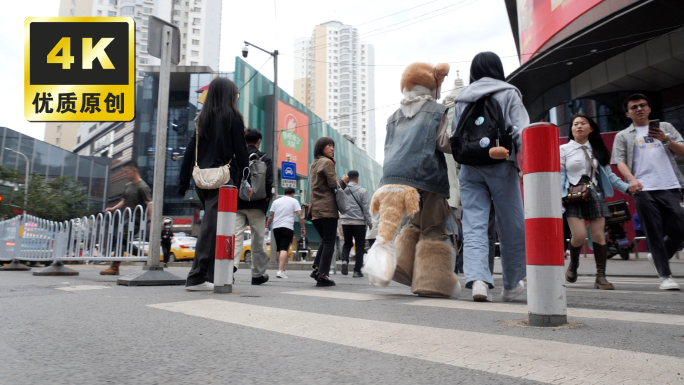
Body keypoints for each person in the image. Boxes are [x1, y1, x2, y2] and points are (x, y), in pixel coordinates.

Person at [372, 62, 460, 298]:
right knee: (433, 226)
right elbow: (443, 143)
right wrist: (464, 148)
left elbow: (389, 148)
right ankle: (432, 282)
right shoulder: (436, 110)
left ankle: (402, 265)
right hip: (426, 174)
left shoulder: (393, 116)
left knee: (413, 222)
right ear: (431, 87)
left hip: (394, 177)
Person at [451, 52, 528, 302]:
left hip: (470, 167)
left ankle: (479, 281)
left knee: (474, 224)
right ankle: (512, 284)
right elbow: (522, 132)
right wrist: (527, 166)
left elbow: (455, 134)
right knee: (511, 225)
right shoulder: (508, 93)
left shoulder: (461, 99)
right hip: (502, 164)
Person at [177, 77, 251, 291]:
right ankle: (197, 277)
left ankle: (213, 275)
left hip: (201, 179)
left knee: (215, 225)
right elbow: (241, 150)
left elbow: (190, 151)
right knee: (213, 227)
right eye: (235, 94)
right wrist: (245, 176)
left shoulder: (202, 118)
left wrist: (183, 182)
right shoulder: (232, 116)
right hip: (224, 178)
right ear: (229, 95)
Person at [611, 93, 684, 290]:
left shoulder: (665, 128)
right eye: (634, 107)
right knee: (654, 232)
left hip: (670, 185)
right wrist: (632, 180)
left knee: (680, 227)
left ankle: (658, 257)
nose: (639, 109)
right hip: (643, 189)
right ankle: (665, 276)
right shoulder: (623, 136)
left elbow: (682, 152)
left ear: (650, 109)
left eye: (643, 105)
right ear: (628, 113)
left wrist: (666, 140)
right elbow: (619, 161)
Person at [561, 114, 629, 290]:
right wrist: (558, 198)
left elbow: (610, 176)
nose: (579, 126)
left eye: (583, 123)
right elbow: (559, 176)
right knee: (579, 235)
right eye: (575, 124)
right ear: (571, 129)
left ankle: (601, 276)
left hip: (595, 193)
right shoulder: (564, 149)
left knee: (599, 234)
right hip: (573, 196)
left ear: (591, 128)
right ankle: (574, 263)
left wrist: (627, 188)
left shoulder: (597, 149)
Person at [233, 128, 272, 285]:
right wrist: (265, 202)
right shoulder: (265, 158)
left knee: (235, 237)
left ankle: (231, 269)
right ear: (259, 141)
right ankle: (257, 275)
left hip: (237, 204)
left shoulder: (236, 157)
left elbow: (232, 180)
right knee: (258, 240)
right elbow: (268, 183)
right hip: (258, 204)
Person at [100, 161, 152, 275]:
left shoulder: (143, 187)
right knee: (124, 242)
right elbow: (124, 201)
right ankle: (147, 256)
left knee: (121, 240)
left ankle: (114, 267)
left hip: (136, 220)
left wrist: (150, 220)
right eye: (123, 172)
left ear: (134, 170)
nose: (124, 174)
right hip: (126, 218)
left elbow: (150, 204)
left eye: (126, 172)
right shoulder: (127, 186)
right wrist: (113, 208)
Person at [309, 137, 348, 287]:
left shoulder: (315, 163)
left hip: (316, 209)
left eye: (332, 146)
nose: (332, 148)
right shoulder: (326, 162)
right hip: (327, 209)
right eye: (328, 146)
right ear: (321, 148)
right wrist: (344, 180)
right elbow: (333, 184)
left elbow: (324, 183)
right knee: (329, 242)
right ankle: (323, 275)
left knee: (325, 240)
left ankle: (317, 268)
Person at [339, 170, 372, 277]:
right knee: (359, 245)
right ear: (357, 178)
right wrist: (370, 222)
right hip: (359, 222)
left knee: (347, 243)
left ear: (348, 178)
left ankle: (344, 260)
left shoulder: (343, 189)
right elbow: (366, 208)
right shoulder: (362, 191)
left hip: (345, 221)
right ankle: (357, 271)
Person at [268, 187, 306, 278]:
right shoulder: (294, 201)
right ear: (292, 194)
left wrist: (269, 227)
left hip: (276, 227)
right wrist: (303, 228)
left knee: (279, 249)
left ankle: (282, 269)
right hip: (287, 227)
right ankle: (280, 271)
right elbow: (300, 215)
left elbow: (271, 216)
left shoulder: (276, 202)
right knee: (284, 248)